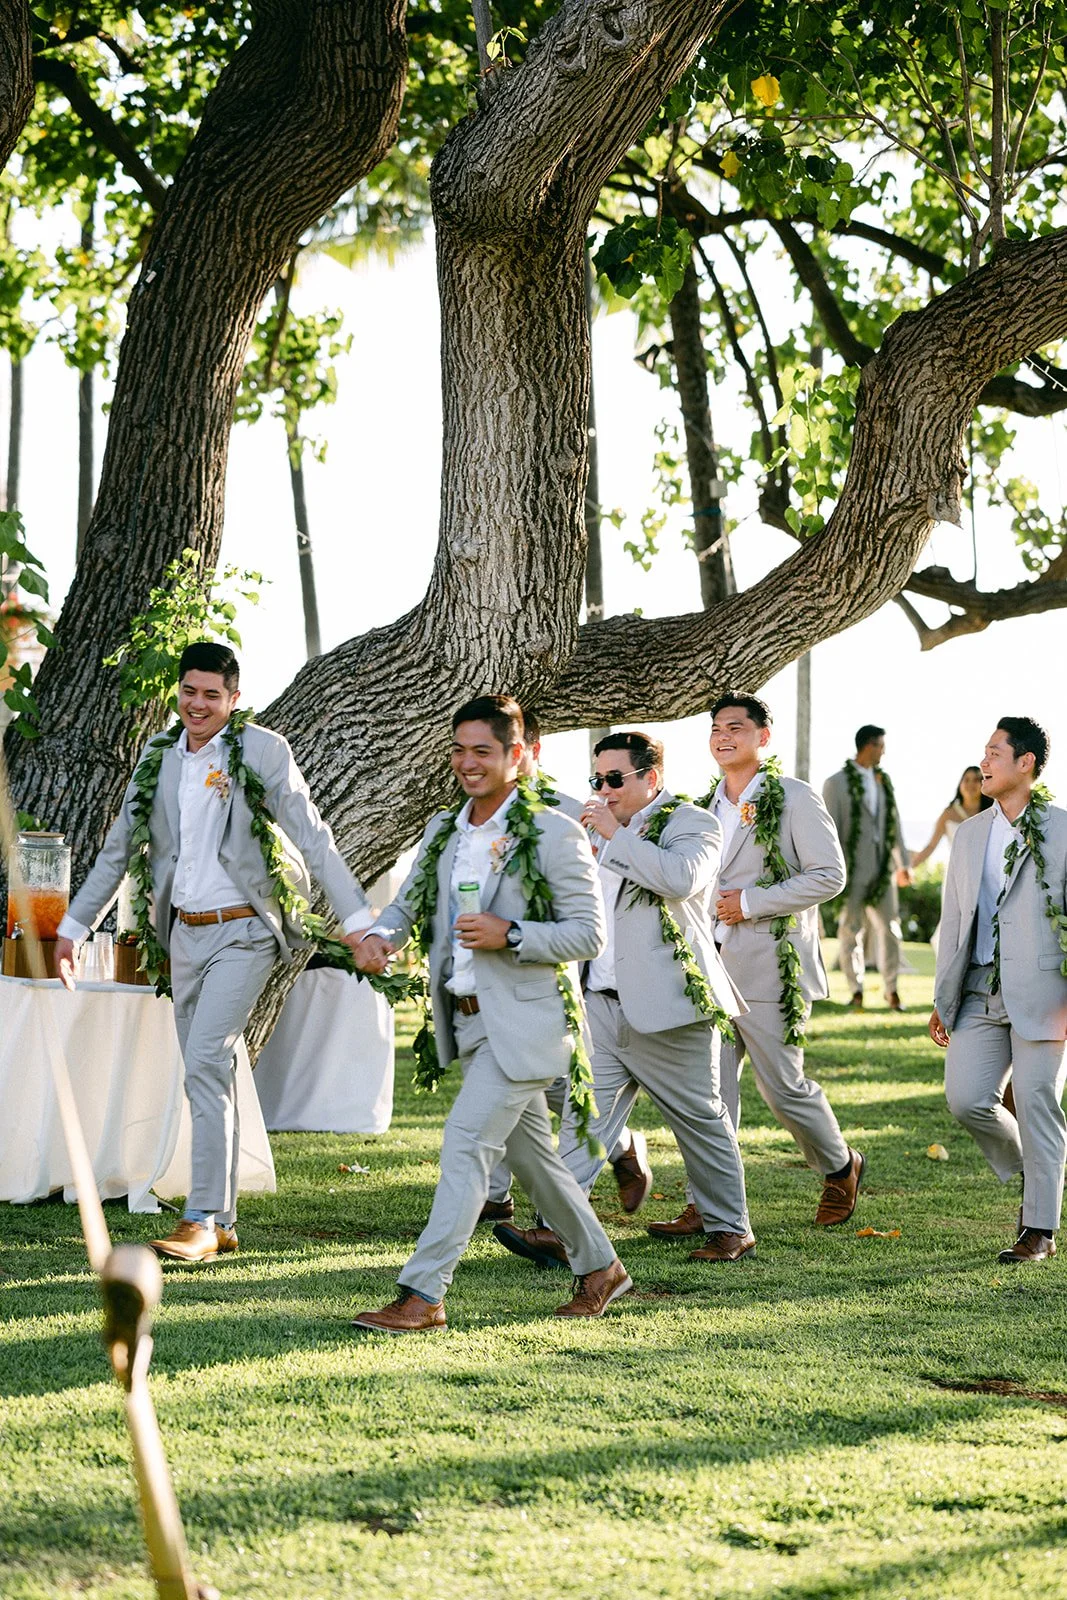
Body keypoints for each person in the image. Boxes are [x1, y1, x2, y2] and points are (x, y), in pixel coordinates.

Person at [55, 641, 373, 1263]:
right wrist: (72, 926)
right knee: (212, 1068)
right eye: (189, 691)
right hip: (183, 933)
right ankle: (221, 1220)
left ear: (232, 699)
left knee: (205, 1057)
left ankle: (198, 1217)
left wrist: (358, 921)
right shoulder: (158, 758)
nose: (198, 704)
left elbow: (312, 835)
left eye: (212, 695)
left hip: (246, 929)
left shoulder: (261, 751)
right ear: (177, 691)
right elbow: (120, 849)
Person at [350, 695, 631, 1330]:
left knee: (466, 1144)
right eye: (459, 750)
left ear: (518, 754)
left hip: (530, 1022)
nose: (468, 763)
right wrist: (380, 937)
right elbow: (410, 902)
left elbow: (589, 936)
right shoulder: (444, 830)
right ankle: (602, 1268)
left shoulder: (555, 832)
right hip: (472, 1022)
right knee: (535, 1162)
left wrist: (512, 934)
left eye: (483, 751)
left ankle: (422, 1295)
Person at [494, 730, 755, 1268]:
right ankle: (559, 1230)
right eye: (599, 780)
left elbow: (680, 880)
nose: (605, 790)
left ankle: (731, 1228)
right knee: (584, 1118)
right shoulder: (592, 830)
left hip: (674, 1007)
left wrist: (615, 834)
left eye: (616, 779)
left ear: (651, 777)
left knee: (701, 1119)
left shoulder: (692, 823)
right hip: (601, 1003)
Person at [478, 710, 653, 1227]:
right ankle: (617, 1149)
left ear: (532, 750)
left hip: (556, 974)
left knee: (543, 1081)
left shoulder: (574, 813)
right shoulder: (473, 814)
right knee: (513, 1078)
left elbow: (593, 906)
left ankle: (500, 1191)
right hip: (491, 971)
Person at [702, 694, 863, 1226]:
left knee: (783, 1091)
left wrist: (749, 903)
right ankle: (711, 1205)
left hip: (772, 965)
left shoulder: (793, 797)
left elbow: (828, 876)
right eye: (717, 728)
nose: (724, 736)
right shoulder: (704, 808)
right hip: (711, 968)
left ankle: (840, 1167)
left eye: (736, 727)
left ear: (762, 737)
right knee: (709, 1093)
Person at [930, 717, 1067, 1265]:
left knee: (1038, 1103)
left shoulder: (1061, 829)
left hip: (1046, 991)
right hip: (978, 990)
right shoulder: (968, 834)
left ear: (1026, 762)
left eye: (994, 752)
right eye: (983, 753)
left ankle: (1039, 1227)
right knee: (966, 1099)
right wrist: (944, 997)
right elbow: (956, 918)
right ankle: (1038, 1170)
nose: (983, 763)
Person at [823, 725, 912, 1010]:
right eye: (880, 746)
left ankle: (892, 989)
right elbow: (830, 829)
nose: (883, 751)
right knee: (850, 930)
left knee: (891, 929)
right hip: (851, 870)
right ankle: (855, 989)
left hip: (883, 870)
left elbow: (894, 824)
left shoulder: (883, 781)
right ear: (868, 746)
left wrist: (904, 864)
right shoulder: (836, 783)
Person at [911, 766, 991, 868]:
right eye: (966, 780)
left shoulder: (992, 812)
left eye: (976, 780)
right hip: (957, 873)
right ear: (960, 784)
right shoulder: (948, 814)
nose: (971, 784)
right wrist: (909, 867)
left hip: (987, 873)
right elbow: (931, 846)